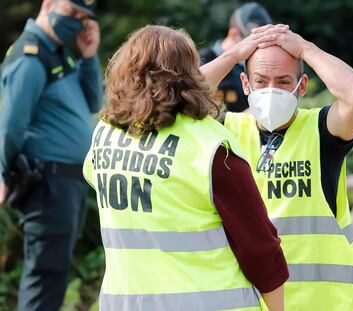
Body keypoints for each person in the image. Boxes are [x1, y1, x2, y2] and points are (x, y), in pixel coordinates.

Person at [83, 25, 290, 310]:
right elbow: (260, 250)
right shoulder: (211, 147)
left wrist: (231, 54)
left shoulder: (105, 134)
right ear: (191, 75)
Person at [202, 24, 353, 310]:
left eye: (282, 82)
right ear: (245, 84)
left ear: (301, 86)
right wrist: (233, 55)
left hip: (322, 303)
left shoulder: (322, 131)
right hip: (251, 303)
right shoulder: (227, 132)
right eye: (260, 80)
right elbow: (176, 102)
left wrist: (306, 48)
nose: (270, 91)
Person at [0, 0, 103, 310]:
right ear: (48, 5)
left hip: (65, 182)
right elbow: (11, 125)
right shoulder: (32, 56)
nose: (77, 22)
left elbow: (92, 101)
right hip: (47, 181)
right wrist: (3, 173)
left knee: (54, 274)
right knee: (45, 275)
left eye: (83, 17)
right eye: (72, 13)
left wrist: (88, 56)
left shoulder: (59, 53)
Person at [199, 2, 272, 113]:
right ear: (233, 34)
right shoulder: (204, 59)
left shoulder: (248, 67)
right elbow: (189, 88)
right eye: (251, 42)